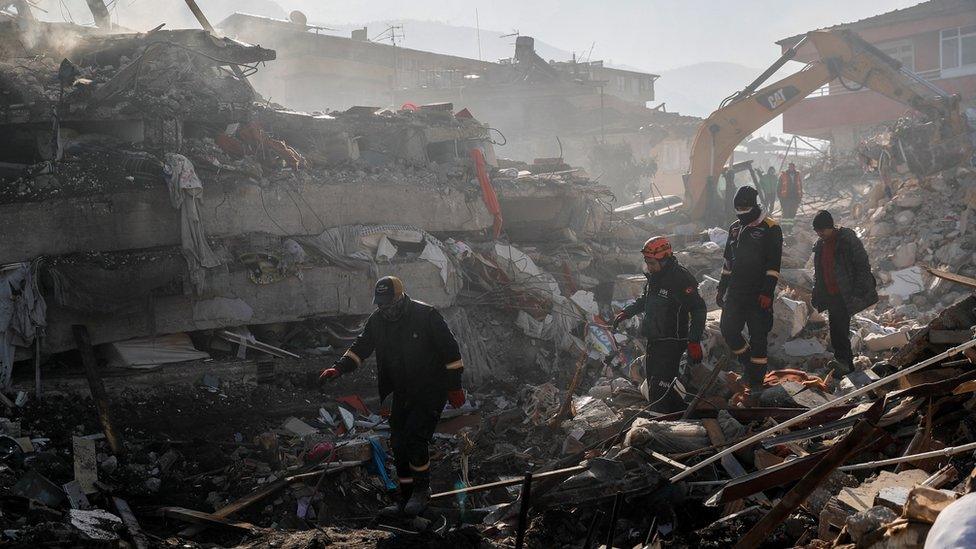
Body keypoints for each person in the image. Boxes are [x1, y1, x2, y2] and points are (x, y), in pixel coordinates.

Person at [319, 276, 465, 517]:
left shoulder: (426, 315)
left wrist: (454, 387)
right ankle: (405, 497)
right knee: (398, 443)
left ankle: (421, 490)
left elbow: (451, 352)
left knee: (416, 438)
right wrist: (339, 367)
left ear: (400, 297)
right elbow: (360, 347)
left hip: (430, 389)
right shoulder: (377, 321)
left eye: (388, 304)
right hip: (402, 391)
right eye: (380, 305)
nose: (384, 309)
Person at [613, 236, 707, 412]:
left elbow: (698, 309)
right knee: (654, 384)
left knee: (662, 385)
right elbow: (645, 300)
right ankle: (669, 414)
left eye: (652, 263)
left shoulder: (681, 279)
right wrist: (628, 312)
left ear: (664, 259)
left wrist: (694, 340)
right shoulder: (655, 277)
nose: (649, 267)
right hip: (654, 338)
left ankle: (663, 419)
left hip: (672, 340)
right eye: (647, 263)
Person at [717, 186, 783, 404]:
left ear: (755, 206)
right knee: (728, 329)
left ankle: (756, 381)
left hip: (758, 293)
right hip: (736, 291)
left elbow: (774, 265)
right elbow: (728, 262)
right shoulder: (735, 228)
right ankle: (747, 362)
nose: (741, 213)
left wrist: (767, 292)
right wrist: (721, 288)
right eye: (738, 209)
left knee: (758, 337)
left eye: (745, 208)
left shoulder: (771, 228)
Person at [811, 210, 878, 373]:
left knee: (839, 329)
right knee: (836, 329)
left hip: (845, 292)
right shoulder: (820, 245)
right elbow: (819, 272)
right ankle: (845, 362)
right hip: (831, 293)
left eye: (822, 230)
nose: (820, 234)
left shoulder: (847, 240)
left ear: (830, 227)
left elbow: (862, 265)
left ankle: (844, 363)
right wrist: (816, 292)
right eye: (817, 231)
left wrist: (858, 291)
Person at [778, 162, 803, 234]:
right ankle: (784, 229)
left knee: (792, 214)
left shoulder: (797, 175)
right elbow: (779, 187)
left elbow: (800, 186)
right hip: (786, 198)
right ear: (788, 167)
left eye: (792, 166)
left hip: (795, 198)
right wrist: (781, 199)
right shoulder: (783, 175)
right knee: (786, 214)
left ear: (794, 167)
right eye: (790, 167)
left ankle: (790, 228)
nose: (791, 168)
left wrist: (800, 197)